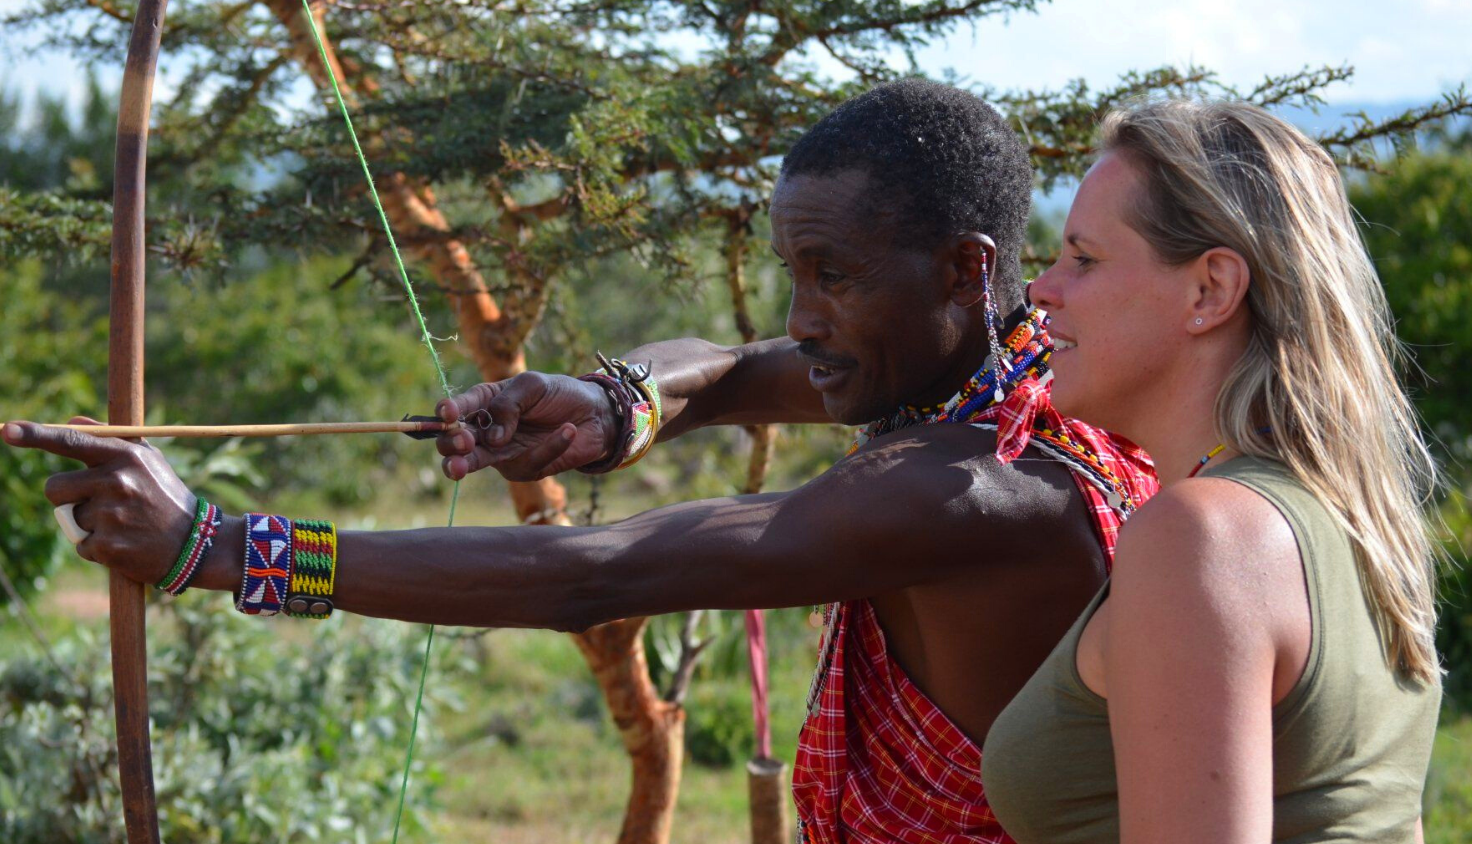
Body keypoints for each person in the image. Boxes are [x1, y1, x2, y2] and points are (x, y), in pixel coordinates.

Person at [3, 79, 1156, 843]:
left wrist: (218, 546)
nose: (803, 317)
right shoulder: (1018, 371)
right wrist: (611, 408)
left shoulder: (978, 488)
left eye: (834, 276)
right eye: (794, 273)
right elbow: (736, 370)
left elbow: (596, 572)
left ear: (965, 269)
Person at [980, 99, 1442, 843]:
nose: (1040, 290)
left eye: (1084, 259)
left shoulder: (1203, 537)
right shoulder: (1350, 517)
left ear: (1210, 291)